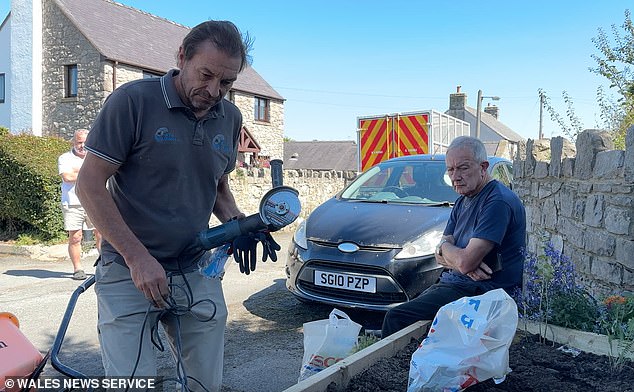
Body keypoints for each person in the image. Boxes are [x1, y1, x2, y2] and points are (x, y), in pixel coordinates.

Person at [76, 20, 277, 391]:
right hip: (127, 269)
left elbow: (217, 187)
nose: (215, 90)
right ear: (182, 56)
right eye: (206, 75)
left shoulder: (230, 118)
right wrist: (137, 258)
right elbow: (89, 185)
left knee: (206, 384)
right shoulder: (133, 101)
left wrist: (241, 224)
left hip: (195, 266)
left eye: (227, 83)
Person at [381, 136, 526, 337]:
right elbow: (442, 252)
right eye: (450, 169)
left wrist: (456, 258)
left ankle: (401, 368)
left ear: (483, 167)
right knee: (410, 313)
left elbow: (464, 261)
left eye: (463, 168)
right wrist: (451, 255)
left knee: (397, 317)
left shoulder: (497, 202)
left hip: (483, 293)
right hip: (459, 283)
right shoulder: (462, 200)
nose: (455, 176)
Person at [58, 129, 101, 280]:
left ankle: (105, 266)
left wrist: (79, 172)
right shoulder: (65, 158)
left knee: (102, 234)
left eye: (85, 142)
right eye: (79, 142)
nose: (82, 145)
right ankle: (78, 269)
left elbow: (104, 174)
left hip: (95, 201)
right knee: (75, 237)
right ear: (73, 142)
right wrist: (90, 174)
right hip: (73, 203)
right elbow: (68, 177)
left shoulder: (97, 156)